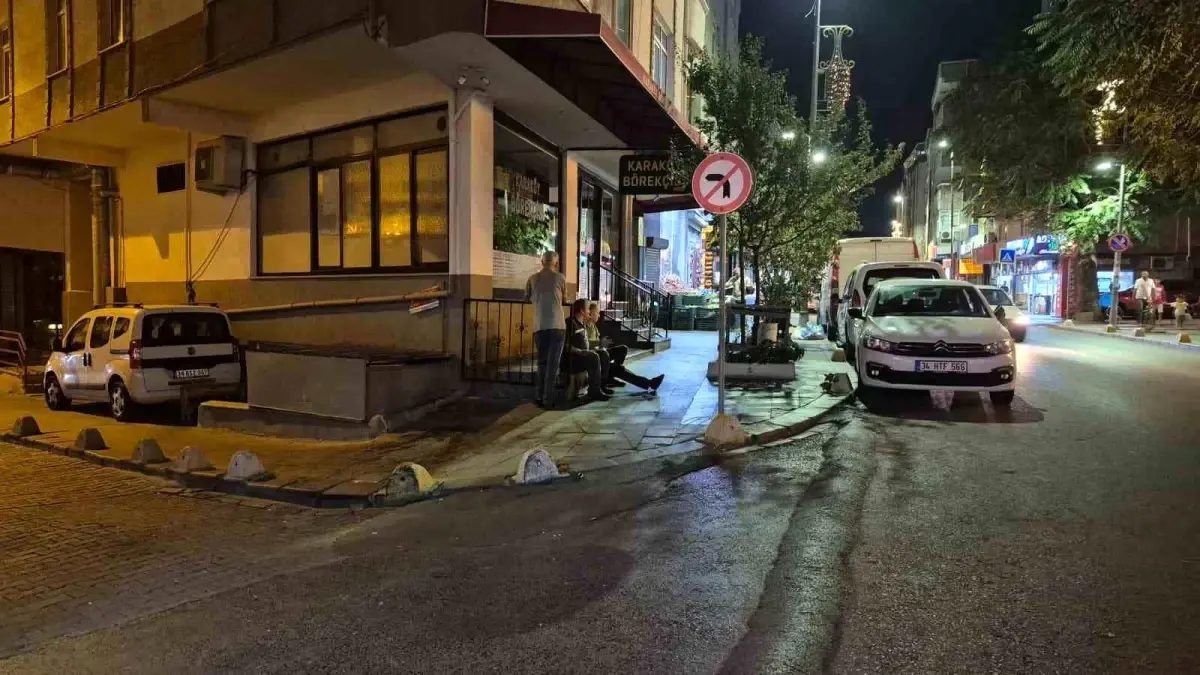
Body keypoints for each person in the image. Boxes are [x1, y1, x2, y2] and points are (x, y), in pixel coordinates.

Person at [584, 302, 665, 394]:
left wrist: (603, 344)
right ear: (590, 313)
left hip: (600, 354)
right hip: (594, 358)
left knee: (622, 349)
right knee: (618, 369)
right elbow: (585, 345)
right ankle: (649, 385)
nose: (599, 315)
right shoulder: (585, 326)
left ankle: (611, 375)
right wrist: (599, 343)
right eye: (597, 312)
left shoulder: (593, 326)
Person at [525, 251, 566, 408]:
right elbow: (565, 299)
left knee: (541, 363)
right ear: (556, 263)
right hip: (557, 325)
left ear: (542, 262)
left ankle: (538, 395)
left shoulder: (532, 278)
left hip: (540, 325)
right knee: (552, 365)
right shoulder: (560, 278)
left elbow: (526, 297)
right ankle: (548, 399)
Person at [565, 299, 612, 402]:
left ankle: (601, 386)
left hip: (584, 355)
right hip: (574, 359)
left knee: (603, 354)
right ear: (582, 311)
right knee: (593, 356)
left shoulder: (583, 323)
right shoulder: (570, 323)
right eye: (587, 309)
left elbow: (586, 343)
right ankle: (594, 392)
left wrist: (598, 344)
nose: (589, 312)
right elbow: (565, 345)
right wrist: (580, 351)